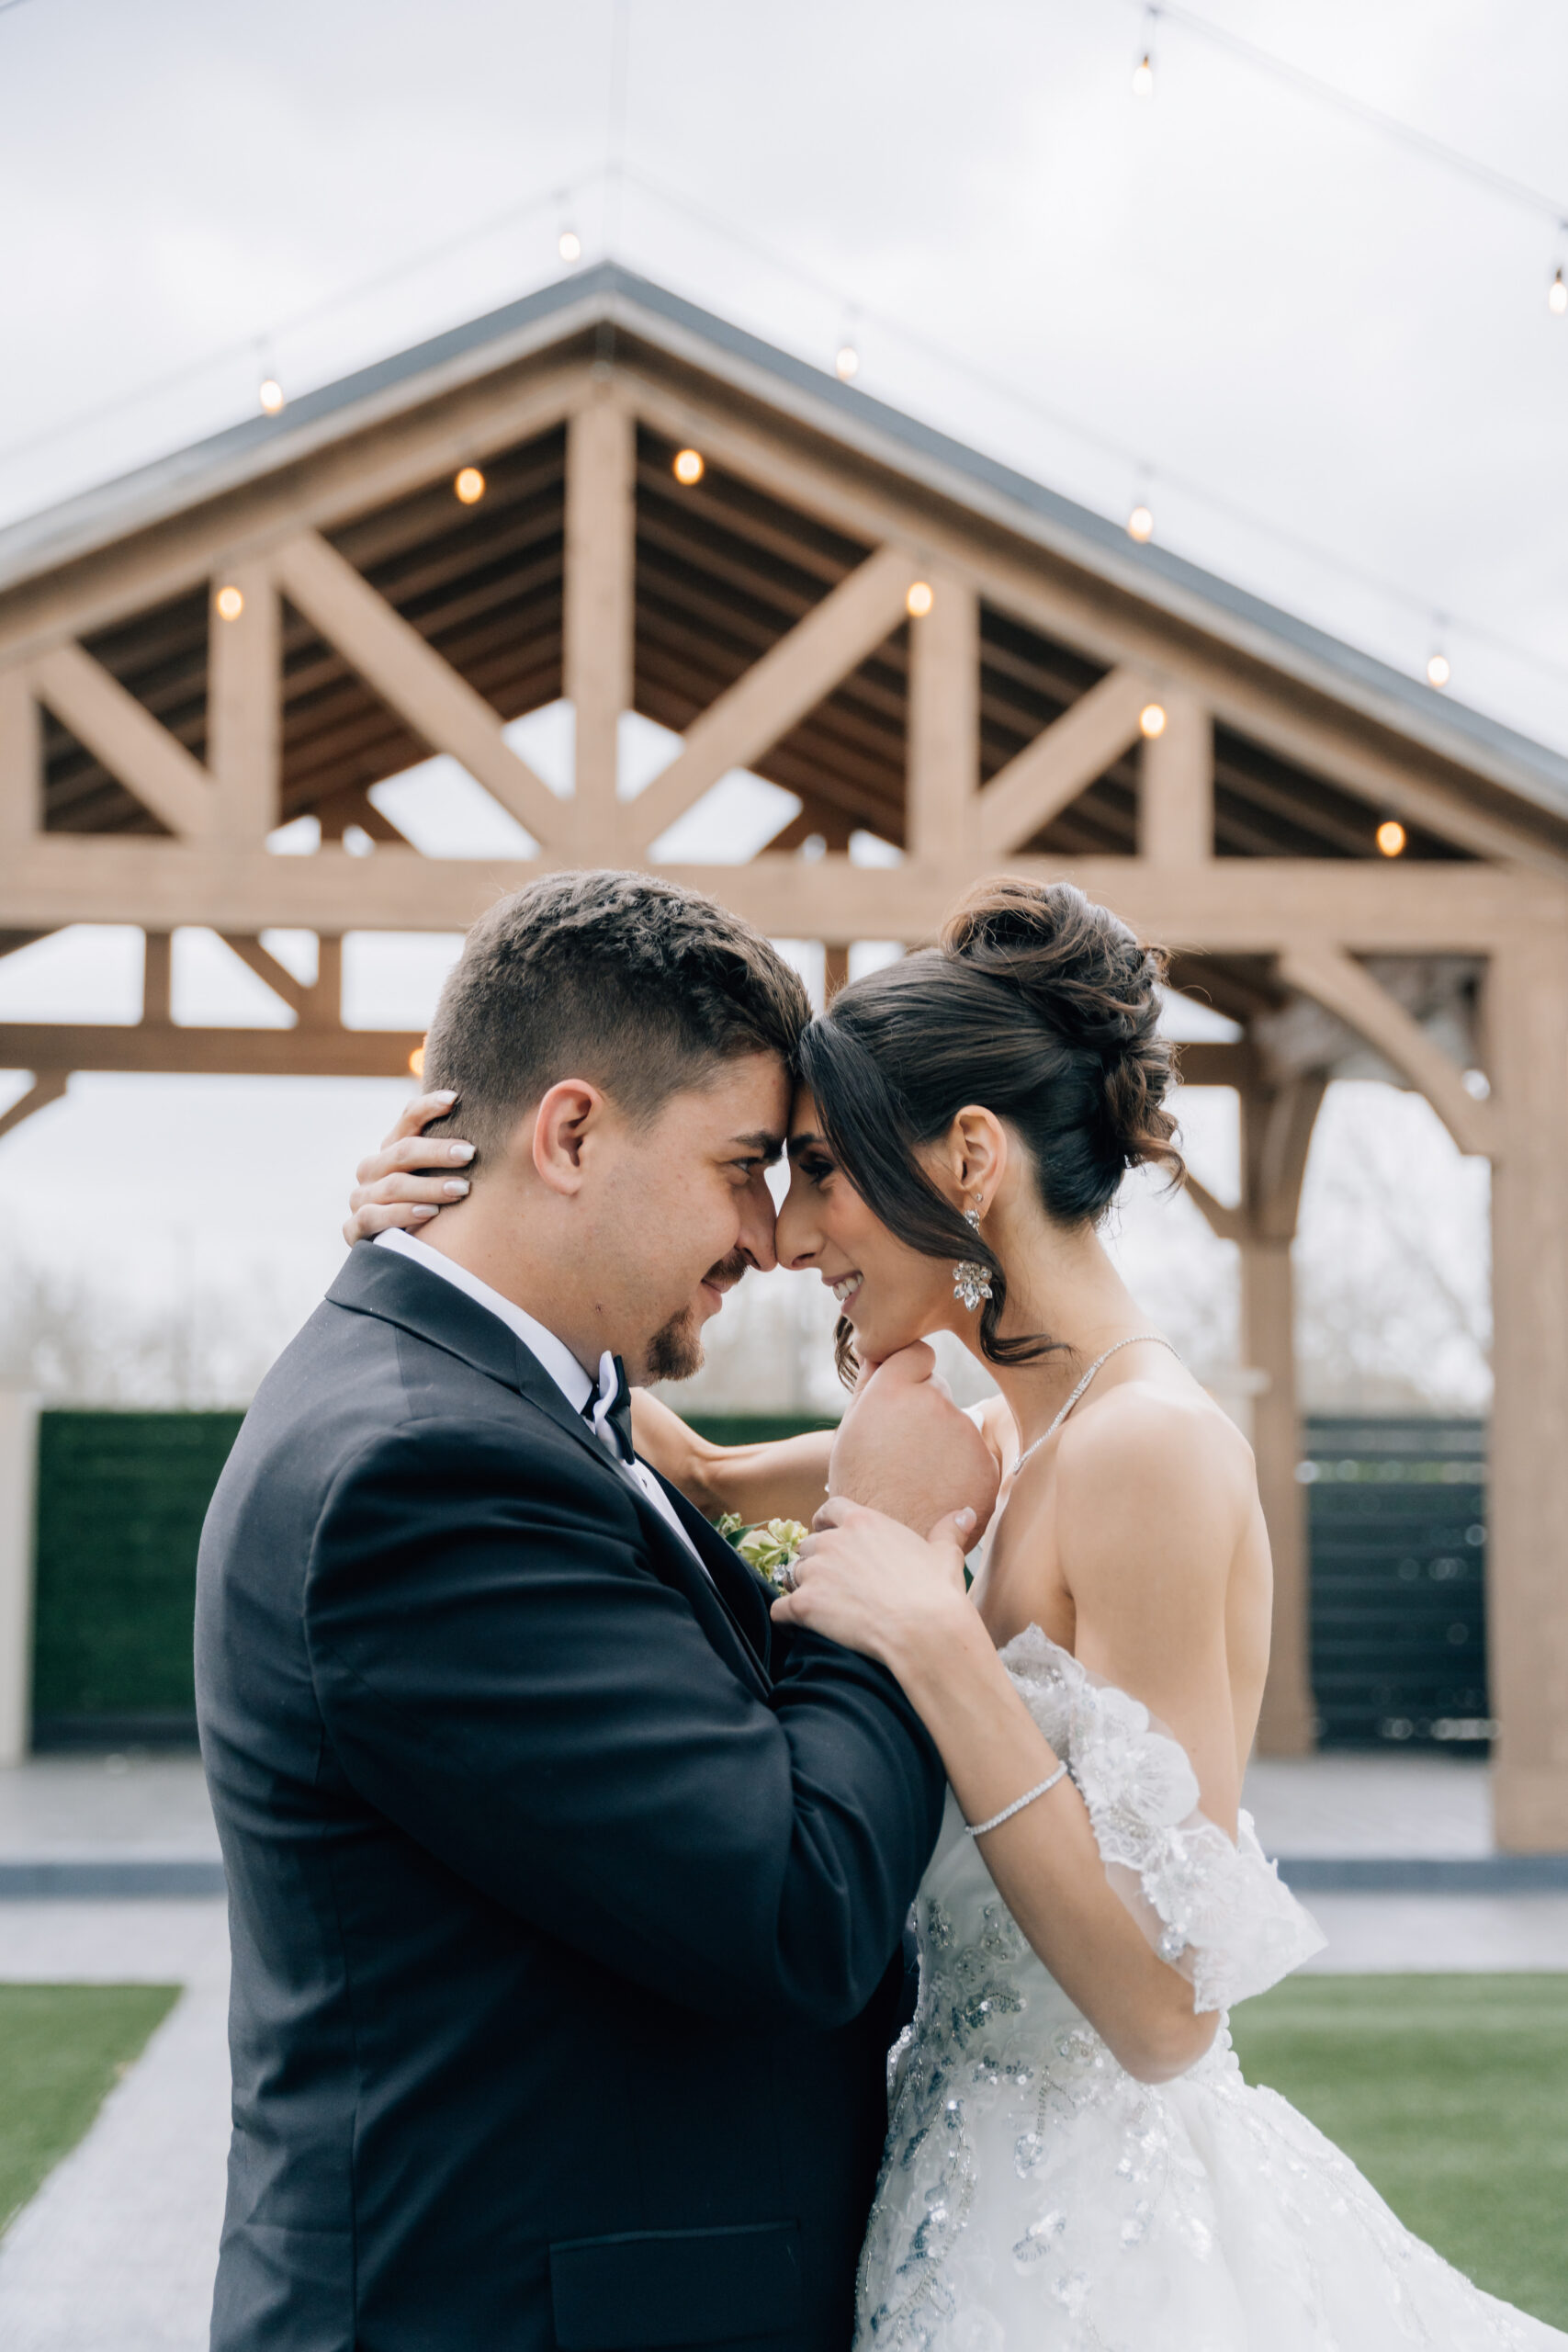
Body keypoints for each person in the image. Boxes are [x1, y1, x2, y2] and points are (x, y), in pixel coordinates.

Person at [355, 873, 1566, 2350]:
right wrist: (434, 1241)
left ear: (970, 1158)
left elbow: (1167, 2013)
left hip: (1098, 2248)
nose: (789, 1238)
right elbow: (677, 1458)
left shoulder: (1150, 1451)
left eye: (819, 1170)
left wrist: (932, 1639)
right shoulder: (1000, 1434)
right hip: (943, 2185)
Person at [197, 869, 998, 2352]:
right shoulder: (420, 1472)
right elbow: (794, 1907)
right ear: (571, 1131)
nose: (770, 1237)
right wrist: (885, 1538)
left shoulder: (512, 1399)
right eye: (744, 1163)